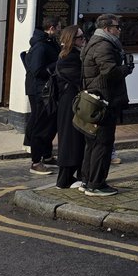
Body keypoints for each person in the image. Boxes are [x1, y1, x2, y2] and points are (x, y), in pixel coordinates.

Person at [80, 13, 133, 196]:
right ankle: (96, 184)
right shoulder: (103, 45)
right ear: (107, 28)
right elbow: (109, 72)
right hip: (103, 101)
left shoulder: (94, 42)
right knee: (103, 143)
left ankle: (87, 180)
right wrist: (126, 69)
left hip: (96, 99)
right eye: (117, 27)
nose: (119, 30)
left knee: (93, 143)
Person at [23, 17, 60, 175]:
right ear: (51, 28)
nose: (60, 30)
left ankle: (47, 156)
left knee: (50, 124)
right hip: (40, 91)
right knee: (42, 125)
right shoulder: (40, 46)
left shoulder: (49, 43)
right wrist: (58, 64)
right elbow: (37, 70)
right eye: (59, 27)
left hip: (47, 90)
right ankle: (36, 162)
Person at [54, 25, 87, 189]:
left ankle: (74, 176)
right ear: (72, 40)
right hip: (70, 103)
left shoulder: (73, 55)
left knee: (75, 139)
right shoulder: (69, 58)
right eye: (80, 38)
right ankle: (64, 179)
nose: (84, 40)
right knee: (70, 140)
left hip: (72, 102)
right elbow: (81, 79)